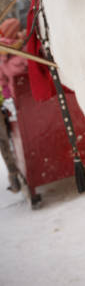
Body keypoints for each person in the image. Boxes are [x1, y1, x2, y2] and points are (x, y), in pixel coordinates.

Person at [0, 18, 27, 193]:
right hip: (11, 97)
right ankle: (14, 175)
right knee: (5, 140)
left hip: (11, 99)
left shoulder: (4, 50)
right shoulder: (16, 46)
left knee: (7, 140)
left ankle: (15, 175)